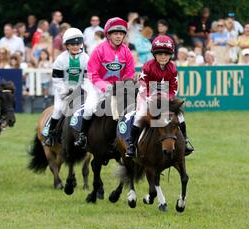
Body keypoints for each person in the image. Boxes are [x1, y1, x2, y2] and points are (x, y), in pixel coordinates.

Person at [126, 35, 193, 157]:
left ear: (170, 55)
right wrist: (150, 99)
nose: (163, 57)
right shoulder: (147, 66)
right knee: (139, 115)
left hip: (165, 97)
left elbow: (174, 87)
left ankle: (185, 141)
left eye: (166, 54)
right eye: (160, 54)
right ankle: (131, 145)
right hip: (146, 96)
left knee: (180, 116)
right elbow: (142, 86)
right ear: (154, 54)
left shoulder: (172, 67)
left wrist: (168, 100)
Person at [75, 17, 135, 148]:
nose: (119, 37)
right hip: (96, 86)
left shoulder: (127, 51)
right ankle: (83, 136)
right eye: (115, 34)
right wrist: (105, 87)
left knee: (132, 109)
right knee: (90, 107)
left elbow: (130, 73)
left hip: (118, 87)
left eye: (121, 34)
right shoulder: (99, 50)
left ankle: (129, 139)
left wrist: (123, 85)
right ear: (108, 34)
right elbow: (92, 74)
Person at [44, 28, 89, 146]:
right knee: (58, 110)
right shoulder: (60, 60)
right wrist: (65, 91)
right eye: (72, 44)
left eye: (78, 43)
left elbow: (88, 78)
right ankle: (51, 134)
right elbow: (57, 79)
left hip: (81, 92)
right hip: (63, 92)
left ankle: (85, 135)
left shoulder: (86, 59)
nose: (75, 46)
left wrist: (83, 89)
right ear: (66, 45)